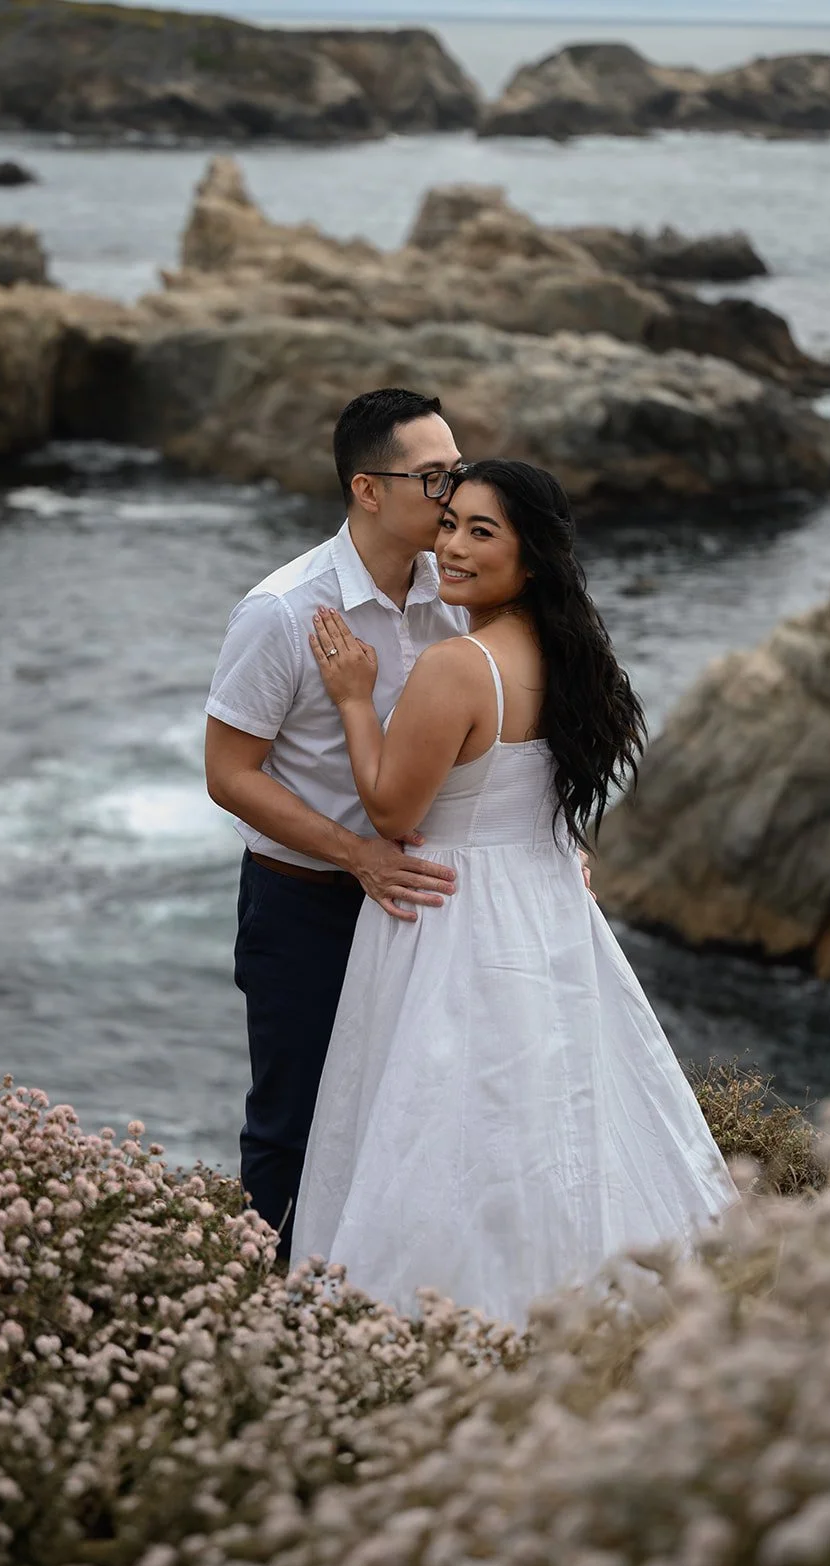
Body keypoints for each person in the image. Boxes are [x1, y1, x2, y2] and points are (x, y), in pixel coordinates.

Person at [292, 459, 738, 1328]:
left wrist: (352, 697)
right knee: (554, 1113)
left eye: (480, 532)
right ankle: (572, 1304)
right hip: (545, 909)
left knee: (440, 1127)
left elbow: (390, 808)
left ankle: (438, 1319)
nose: (451, 546)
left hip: (448, 912)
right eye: (450, 521)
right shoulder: (575, 655)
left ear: (531, 558)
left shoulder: (458, 666)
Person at [205, 389, 469, 1258]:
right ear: (367, 489)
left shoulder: (458, 594)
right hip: (303, 906)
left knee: (418, 1120)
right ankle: (265, 1321)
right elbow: (229, 776)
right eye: (434, 479)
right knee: (296, 1125)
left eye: (458, 472)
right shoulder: (282, 612)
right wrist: (359, 855)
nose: (455, 496)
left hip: (424, 902)